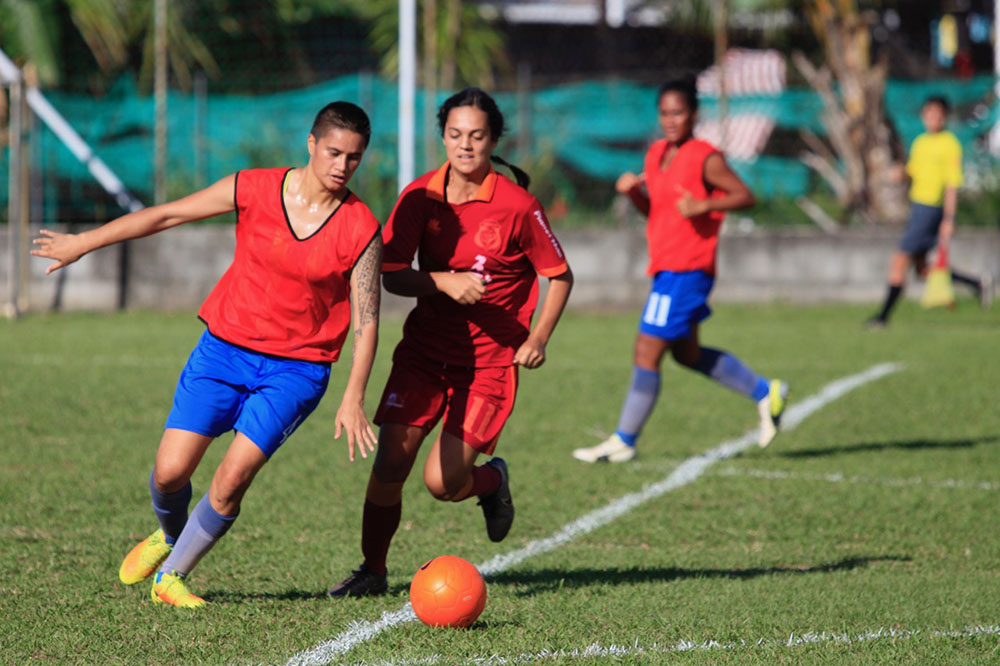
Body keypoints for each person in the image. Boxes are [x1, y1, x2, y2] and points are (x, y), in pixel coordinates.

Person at [31, 102, 383, 608]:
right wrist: (86, 241)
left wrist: (353, 396)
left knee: (230, 480)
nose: (342, 166)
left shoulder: (362, 227)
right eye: (334, 152)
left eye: (354, 158)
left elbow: (367, 319)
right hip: (224, 351)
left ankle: (171, 577)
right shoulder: (253, 188)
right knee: (170, 472)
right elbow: (168, 213)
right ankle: (171, 535)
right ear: (311, 143)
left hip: (296, 370)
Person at [327, 88, 573, 597]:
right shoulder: (420, 196)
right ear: (443, 136)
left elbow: (560, 275)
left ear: (493, 140)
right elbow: (391, 274)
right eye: (456, 135)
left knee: (443, 484)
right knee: (390, 461)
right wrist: (442, 280)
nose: (465, 146)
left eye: (477, 136)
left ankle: (492, 482)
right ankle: (372, 570)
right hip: (423, 354)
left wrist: (540, 337)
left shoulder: (518, 205)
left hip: (487, 364)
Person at [572, 79, 787, 464]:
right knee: (686, 354)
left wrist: (703, 205)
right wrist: (633, 193)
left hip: (688, 270)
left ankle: (624, 439)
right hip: (665, 268)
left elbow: (746, 195)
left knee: (646, 349)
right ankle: (765, 392)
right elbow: (656, 211)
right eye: (665, 113)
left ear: (694, 114)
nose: (671, 120)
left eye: (679, 112)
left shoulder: (706, 156)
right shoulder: (656, 153)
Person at [866, 95, 993, 328]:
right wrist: (901, 173)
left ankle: (882, 317)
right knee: (924, 269)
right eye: (928, 115)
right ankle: (978, 284)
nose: (932, 119)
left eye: (937, 115)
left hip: (931, 210)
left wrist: (948, 218)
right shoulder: (920, 142)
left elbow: (952, 184)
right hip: (917, 207)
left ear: (944, 117)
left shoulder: (949, 144)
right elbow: (914, 170)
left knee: (899, 259)